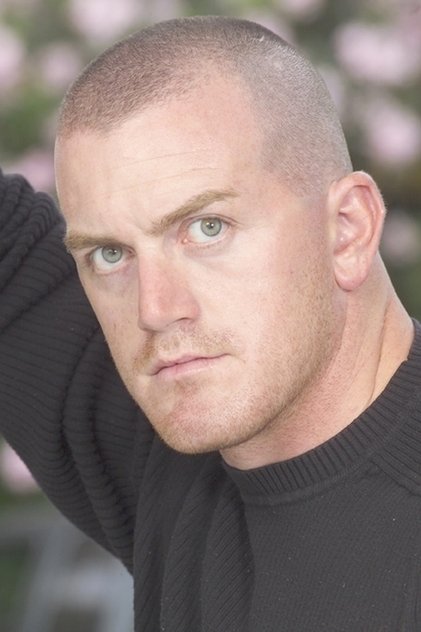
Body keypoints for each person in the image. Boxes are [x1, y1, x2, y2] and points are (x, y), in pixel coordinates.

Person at [1, 15, 420, 631]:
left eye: (207, 228)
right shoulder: (174, 451)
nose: (155, 308)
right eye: (110, 254)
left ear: (347, 230)